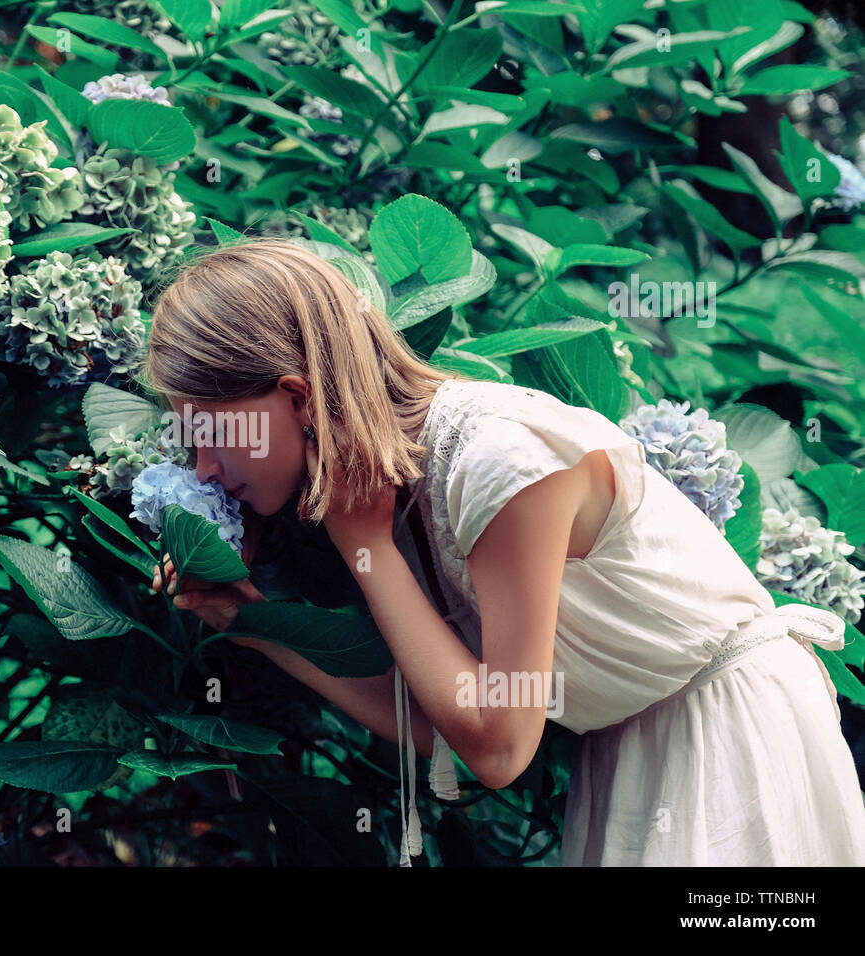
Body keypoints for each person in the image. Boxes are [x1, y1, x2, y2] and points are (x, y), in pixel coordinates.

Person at [140, 236, 865, 866]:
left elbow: (496, 747)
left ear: (298, 399)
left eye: (210, 430)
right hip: (638, 743)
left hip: (730, 737)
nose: (203, 467)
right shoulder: (396, 486)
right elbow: (448, 728)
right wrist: (252, 622)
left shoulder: (498, 460)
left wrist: (368, 550)